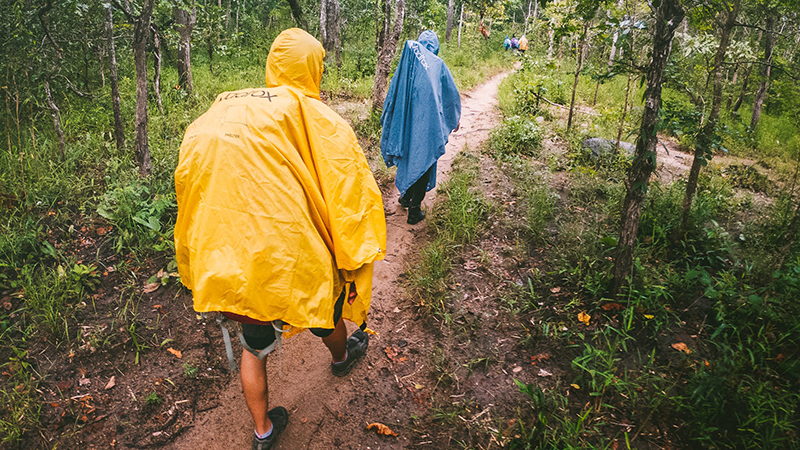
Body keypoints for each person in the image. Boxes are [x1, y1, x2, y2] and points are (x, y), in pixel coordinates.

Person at [174, 28, 386, 450]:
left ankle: (263, 433)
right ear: (313, 68)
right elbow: (347, 188)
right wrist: (350, 250)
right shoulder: (311, 113)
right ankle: (343, 358)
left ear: (272, 64)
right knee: (323, 311)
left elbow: (190, 185)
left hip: (233, 260)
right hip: (295, 257)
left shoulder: (219, 108)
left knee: (255, 347)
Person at [380, 30, 461, 225]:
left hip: (407, 124)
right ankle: (414, 209)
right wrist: (454, 117)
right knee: (424, 160)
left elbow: (394, 90)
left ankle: (406, 197)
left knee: (409, 157)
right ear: (436, 47)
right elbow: (450, 95)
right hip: (427, 127)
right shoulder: (438, 66)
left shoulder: (408, 63)